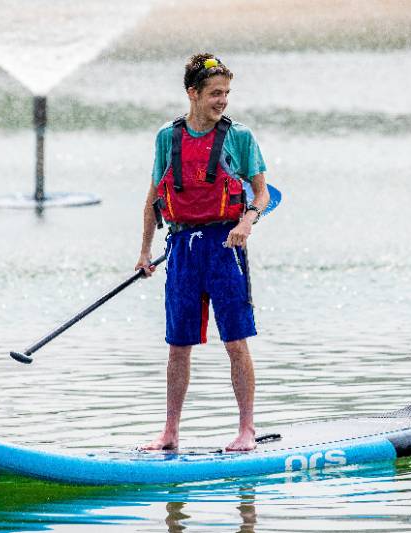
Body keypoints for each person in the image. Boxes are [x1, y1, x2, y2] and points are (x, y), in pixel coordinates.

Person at [135, 53, 270, 452]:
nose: (222, 100)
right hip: (181, 250)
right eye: (215, 93)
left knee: (235, 341)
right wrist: (144, 252)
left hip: (225, 247)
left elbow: (261, 193)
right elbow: (152, 199)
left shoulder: (239, 138)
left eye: (226, 93)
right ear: (192, 94)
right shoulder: (167, 138)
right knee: (178, 346)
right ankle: (170, 432)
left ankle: (247, 429)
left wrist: (247, 221)